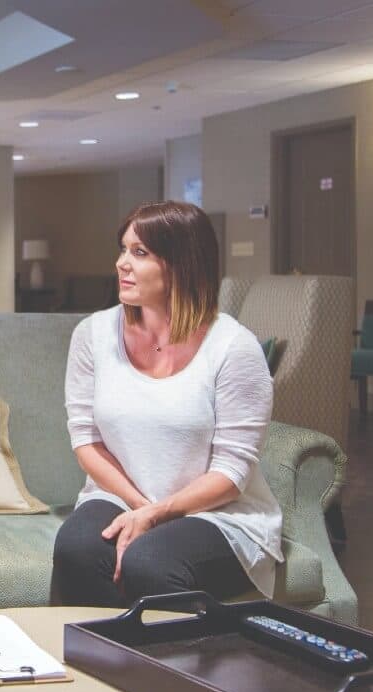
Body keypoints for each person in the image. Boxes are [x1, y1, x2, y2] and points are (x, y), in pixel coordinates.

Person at [52, 200, 283, 608]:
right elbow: (86, 440)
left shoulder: (234, 347)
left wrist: (160, 515)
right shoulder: (92, 334)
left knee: (149, 562)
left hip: (217, 512)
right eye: (123, 249)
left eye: (139, 253)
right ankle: (98, 664)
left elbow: (231, 473)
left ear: (182, 264)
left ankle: (176, 670)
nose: (122, 263)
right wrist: (144, 509)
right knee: (77, 550)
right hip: (121, 497)